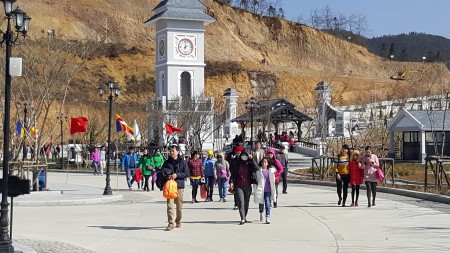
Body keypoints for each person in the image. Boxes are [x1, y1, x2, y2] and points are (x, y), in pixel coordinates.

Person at [162, 145, 189, 231]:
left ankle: (178, 221)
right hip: (169, 186)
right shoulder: (167, 162)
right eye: (170, 151)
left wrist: (177, 175)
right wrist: (167, 176)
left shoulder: (183, 162)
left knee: (179, 206)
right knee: (169, 205)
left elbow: (186, 173)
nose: (171, 152)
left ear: (177, 151)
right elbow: (162, 172)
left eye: (173, 151)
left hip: (179, 186)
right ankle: (170, 223)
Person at [230, 150, 258, 225]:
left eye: (246, 156)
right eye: (243, 156)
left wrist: (251, 159)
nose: (244, 157)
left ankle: (244, 216)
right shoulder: (237, 164)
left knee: (246, 203)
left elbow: (257, 168)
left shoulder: (249, 164)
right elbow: (232, 174)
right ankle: (242, 218)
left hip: (248, 186)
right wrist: (231, 182)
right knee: (241, 202)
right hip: (239, 186)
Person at [254, 157, 276, 224]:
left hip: (268, 190)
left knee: (267, 203)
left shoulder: (270, 171)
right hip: (261, 189)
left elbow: (273, 180)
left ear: (268, 163)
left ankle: (267, 216)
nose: (264, 163)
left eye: (266, 162)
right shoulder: (258, 171)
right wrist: (255, 189)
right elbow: (256, 181)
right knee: (261, 203)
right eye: (263, 162)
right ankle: (261, 213)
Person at [230, 146, 244, 210]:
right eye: (237, 153)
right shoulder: (233, 160)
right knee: (235, 191)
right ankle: (236, 204)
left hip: (243, 178)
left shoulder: (244, 160)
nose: (239, 154)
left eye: (240, 153)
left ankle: (242, 204)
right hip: (235, 177)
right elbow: (231, 169)